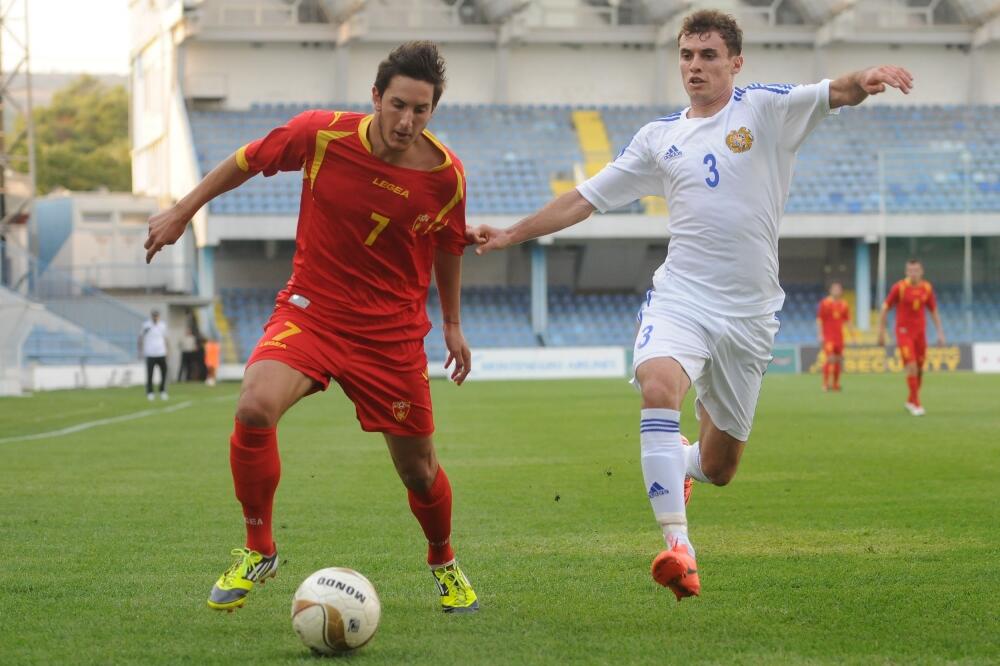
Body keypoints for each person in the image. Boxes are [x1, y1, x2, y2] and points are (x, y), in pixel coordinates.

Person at [469, 10, 913, 601]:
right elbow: (584, 199)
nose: (695, 66)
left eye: (708, 55)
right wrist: (511, 234)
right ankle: (679, 547)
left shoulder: (764, 109)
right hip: (682, 297)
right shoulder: (659, 138)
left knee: (720, 467)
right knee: (658, 385)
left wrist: (866, 78)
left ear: (735, 62)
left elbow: (837, 91)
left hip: (750, 316)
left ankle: (682, 462)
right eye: (686, 55)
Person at [143, 41, 479, 613]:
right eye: (398, 105)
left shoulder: (446, 177)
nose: (407, 121)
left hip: (390, 335)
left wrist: (451, 323)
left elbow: (449, 245)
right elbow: (246, 160)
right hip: (313, 310)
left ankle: (443, 560)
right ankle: (259, 549)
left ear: (433, 110)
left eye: (421, 110)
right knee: (255, 405)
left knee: (419, 471)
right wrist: (182, 210)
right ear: (376, 97)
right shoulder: (321, 134)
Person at [877, 258, 946, 416]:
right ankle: (916, 403)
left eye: (916, 270)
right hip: (904, 333)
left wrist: (940, 332)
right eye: (910, 270)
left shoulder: (927, 288)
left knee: (920, 369)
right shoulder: (899, 287)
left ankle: (910, 400)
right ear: (906, 272)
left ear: (922, 271)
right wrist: (881, 332)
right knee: (912, 366)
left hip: (920, 334)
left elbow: (933, 310)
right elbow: (884, 308)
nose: (913, 273)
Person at [816, 281, 850, 391]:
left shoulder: (844, 304)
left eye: (838, 289)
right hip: (828, 337)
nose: (836, 291)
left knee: (838, 360)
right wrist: (820, 334)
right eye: (834, 289)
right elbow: (819, 320)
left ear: (841, 291)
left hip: (839, 337)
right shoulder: (825, 303)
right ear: (830, 290)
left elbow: (847, 320)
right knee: (830, 358)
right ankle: (825, 384)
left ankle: (835, 384)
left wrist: (853, 335)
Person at [139, 309, 169, 401]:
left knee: (164, 373)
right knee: (150, 374)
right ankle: (150, 392)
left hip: (161, 353)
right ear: (151, 316)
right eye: (154, 316)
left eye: (157, 316)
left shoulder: (163, 325)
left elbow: (166, 339)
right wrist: (140, 351)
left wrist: (168, 351)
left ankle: (162, 391)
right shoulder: (146, 325)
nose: (155, 317)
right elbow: (140, 338)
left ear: (159, 316)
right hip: (150, 353)